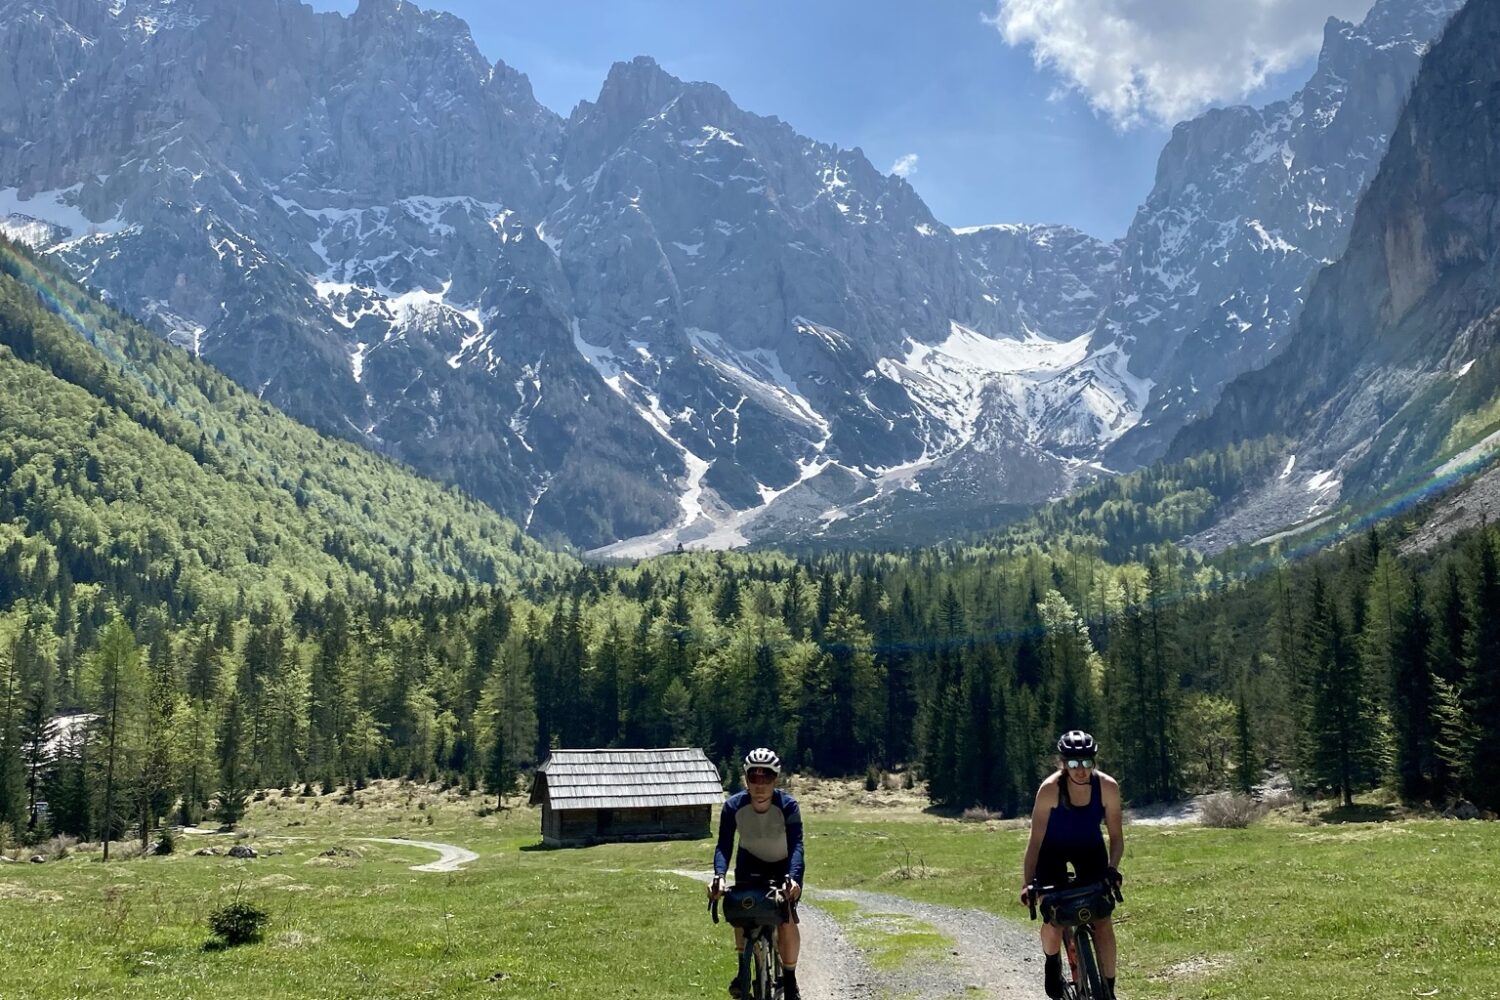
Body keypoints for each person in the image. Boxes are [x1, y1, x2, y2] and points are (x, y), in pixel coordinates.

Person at [1020, 730, 1125, 999]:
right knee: (1054, 919)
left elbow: (1116, 838)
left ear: (1094, 762)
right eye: (1074, 764)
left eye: (1087, 763)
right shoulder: (1050, 790)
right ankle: (1052, 961)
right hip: (1051, 852)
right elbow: (1034, 842)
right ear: (1063, 763)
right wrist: (1029, 884)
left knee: (1102, 919)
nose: (1081, 770)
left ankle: (1108, 989)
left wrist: (1112, 869)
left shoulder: (1108, 788)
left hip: (1089, 849)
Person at [709, 747, 805, 1000]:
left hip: (784, 865)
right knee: (741, 906)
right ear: (746, 778)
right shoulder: (732, 807)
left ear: (776, 779)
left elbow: (796, 845)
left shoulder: (788, 806)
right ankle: (743, 970)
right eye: (754, 777)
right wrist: (718, 876)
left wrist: (793, 877)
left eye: (767, 777)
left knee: (786, 917)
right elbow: (724, 845)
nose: (760, 784)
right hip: (750, 862)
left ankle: (790, 980)